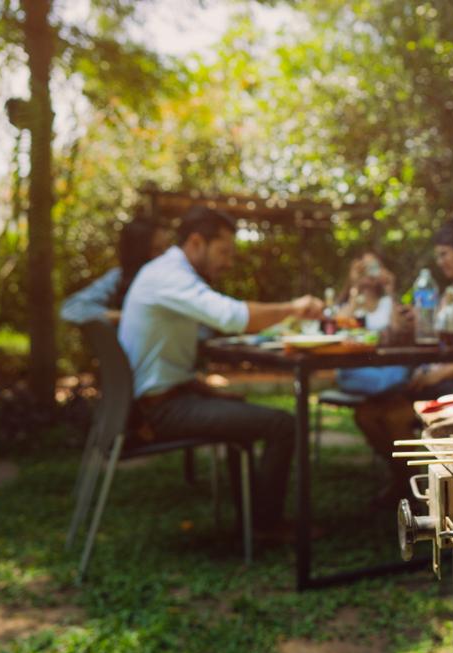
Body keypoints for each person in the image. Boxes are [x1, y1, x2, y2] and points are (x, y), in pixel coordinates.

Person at [118, 206, 326, 540]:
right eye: (223, 252)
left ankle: (252, 520)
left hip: (162, 400)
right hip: (157, 412)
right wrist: (293, 309)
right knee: (282, 425)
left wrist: (205, 389)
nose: (228, 262)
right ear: (197, 243)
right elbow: (231, 317)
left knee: (240, 409)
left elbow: (164, 361)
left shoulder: (167, 273)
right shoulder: (169, 276)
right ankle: (265, 525)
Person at [353, 218, 453, 502]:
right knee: (365, 414)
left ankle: (422, 494)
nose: (440, 262)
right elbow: (429, 336)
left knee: (393, 417)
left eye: (444, 254)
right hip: (431, 383)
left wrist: (438, 374)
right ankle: (404, 480)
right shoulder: (447, 293)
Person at [60, 215, 171, 325]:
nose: (166, 255)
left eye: (168, 247)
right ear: (139, 252)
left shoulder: (176, 276)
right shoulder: (119, 277)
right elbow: (71, 308)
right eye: (157, 249)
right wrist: (124, 317)